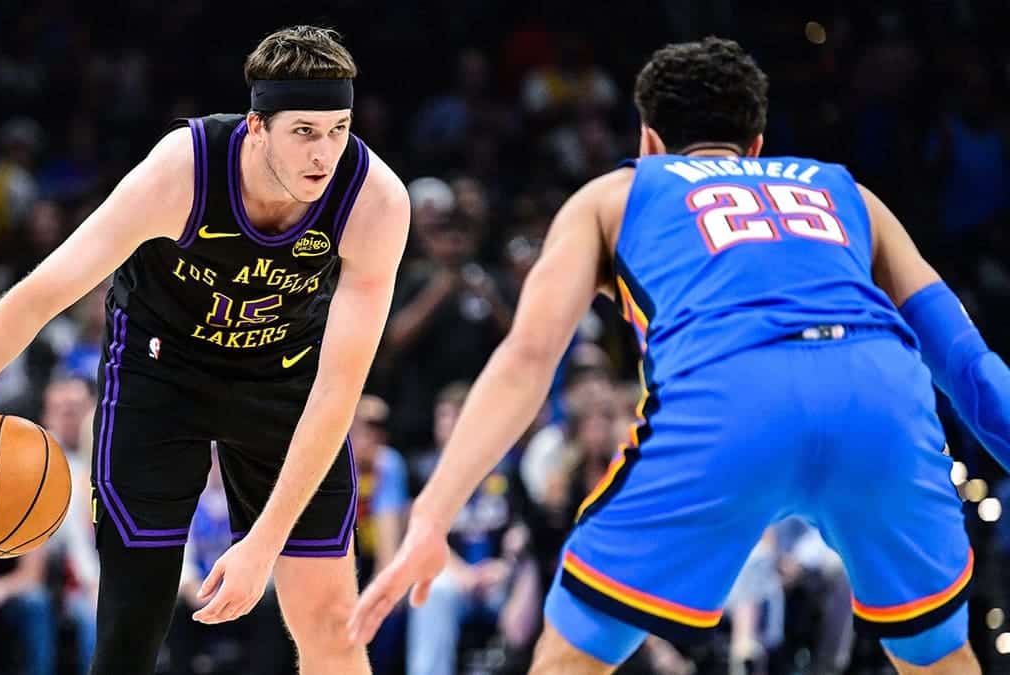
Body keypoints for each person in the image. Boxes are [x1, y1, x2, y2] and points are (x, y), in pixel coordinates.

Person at [350, 37, 1010, 675]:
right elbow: (969, 365)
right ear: (757, 144)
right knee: (938, 656)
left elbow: (527, 358)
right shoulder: (847, 193)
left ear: (648, 142)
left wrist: (432, 514)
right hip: (882, 401)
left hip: (733, 400)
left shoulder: (615, 194)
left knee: (570, 655)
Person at [0, 25, 410, 675]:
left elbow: (338, 390)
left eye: (338, 129)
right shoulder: (183, 170)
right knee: (129, 634)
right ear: (257, 126)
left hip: (284, 378)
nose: (325, 153)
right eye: (304, 131)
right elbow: (43, 292)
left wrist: (262, 541)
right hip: (160, 371)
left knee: (333, 629)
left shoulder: (374, 201)